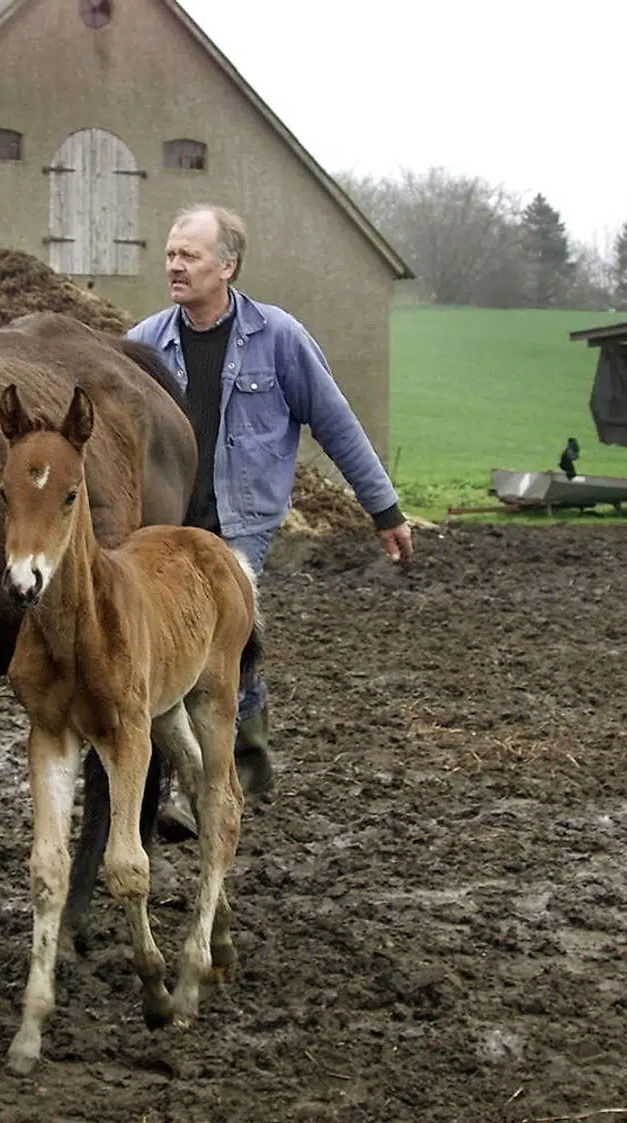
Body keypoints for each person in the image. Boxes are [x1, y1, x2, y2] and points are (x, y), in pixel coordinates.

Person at [127, 204, 414, 838]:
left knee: (229, 653)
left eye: (190, 255)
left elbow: (336, 424)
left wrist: (384, 510)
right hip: (164, 528)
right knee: (163, 651)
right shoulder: (144, 341)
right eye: (171, 253)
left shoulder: (277, 337)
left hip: (238, 526)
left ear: (226, 265)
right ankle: (178, 782)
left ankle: (236, 776)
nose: (175, 264)